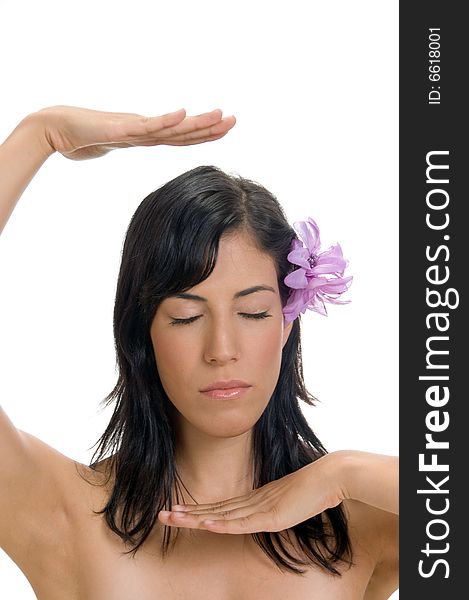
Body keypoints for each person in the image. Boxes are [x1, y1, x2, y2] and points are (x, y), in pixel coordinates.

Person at [0, 105, 399, 599]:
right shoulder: (67, 513)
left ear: (286, 322)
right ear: (141, 330)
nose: (222, 350)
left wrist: (345, 473)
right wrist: (41, 134)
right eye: (186, 318)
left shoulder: (364, 521)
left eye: (252, 313)